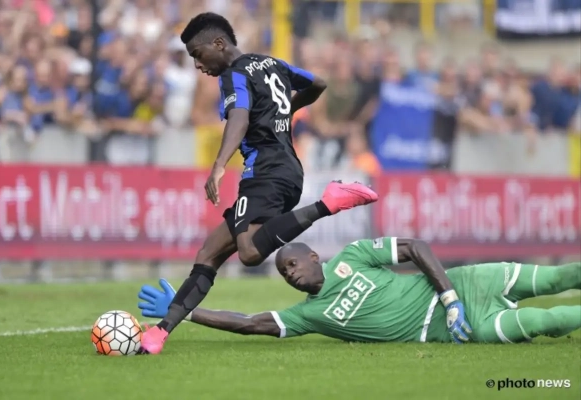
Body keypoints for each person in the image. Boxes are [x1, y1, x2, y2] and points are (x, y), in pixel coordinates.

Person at [139, 13, 379, 354]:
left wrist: (219, 165)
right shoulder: (272, 63)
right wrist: (283, 113)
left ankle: (328, 203)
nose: (197, 64)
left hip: (265, 172)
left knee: (250, 252)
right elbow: (318, 84)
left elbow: (238, 118)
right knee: (209, 252)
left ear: (218, 44)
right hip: (287, 170)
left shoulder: (234, 74)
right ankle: (161, 332)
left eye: (198, 54)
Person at [138, 237, 581, 345]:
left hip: (468, 284)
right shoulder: (308, 315)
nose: (290, 275)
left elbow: (415, 247)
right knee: (549, 321)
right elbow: (249, 323)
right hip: (461, 330)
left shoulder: (354, 255)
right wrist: (183, 310)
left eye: (292, 264)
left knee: (560, 278)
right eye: (284, 274)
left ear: (314, 256)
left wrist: (449, 298)